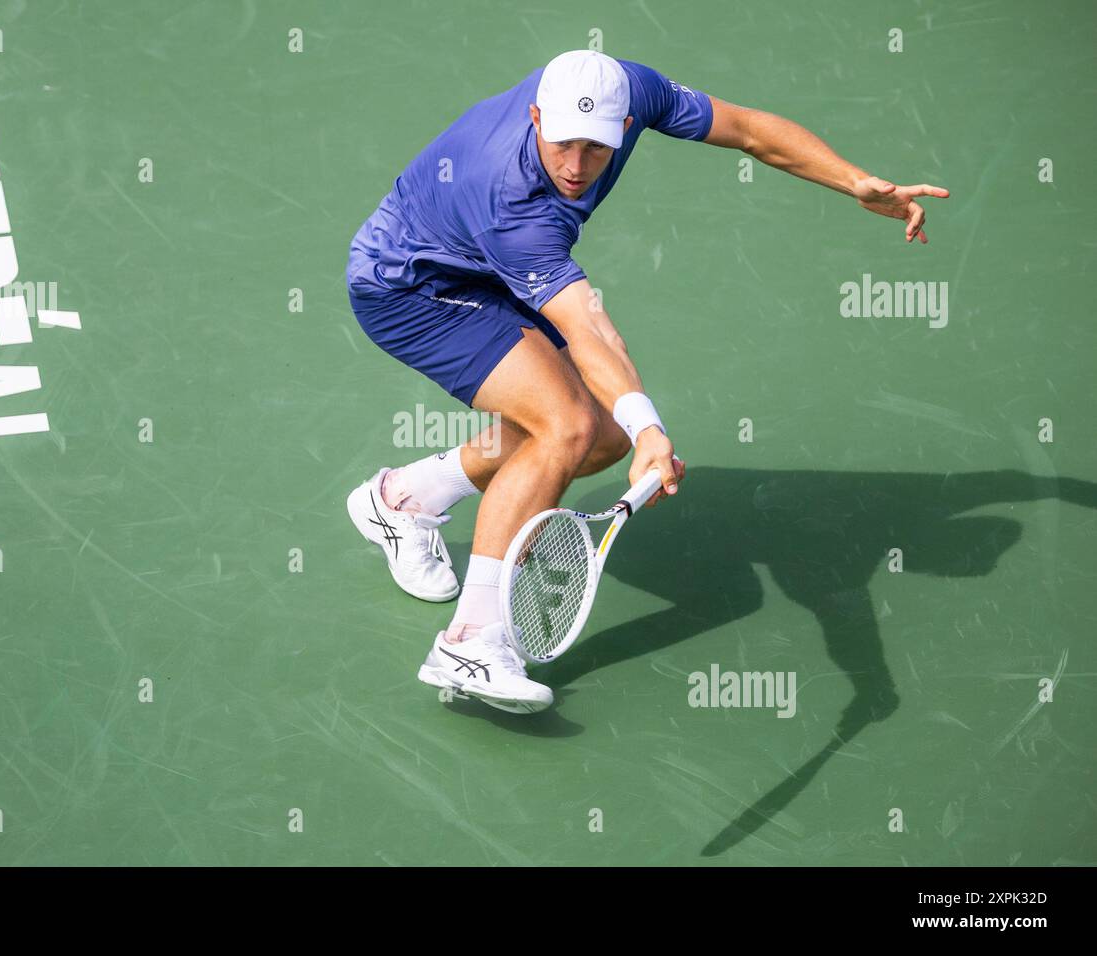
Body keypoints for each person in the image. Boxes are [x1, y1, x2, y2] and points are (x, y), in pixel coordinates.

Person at [345, 49, 948, 714]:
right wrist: (651, 430)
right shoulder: (512, 201)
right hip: (410, 286)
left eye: (596, 148)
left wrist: (855, 181)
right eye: (562, 145)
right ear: (535, 115)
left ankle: (404, 500)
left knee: (596, 439)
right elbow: (591, 332)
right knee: (568, 423)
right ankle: (472, 639)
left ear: (627, 121)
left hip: (480, 266)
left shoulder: (629, 88)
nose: (576, 168)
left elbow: (747, 130)